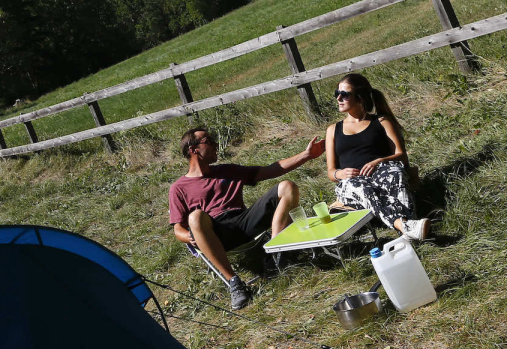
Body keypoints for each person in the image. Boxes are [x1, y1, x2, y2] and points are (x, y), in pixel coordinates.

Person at [169, 126, 324, 309]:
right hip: (216, 233)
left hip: (244, 221)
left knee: (287, 187)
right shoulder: (179, 188)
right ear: (193, 149)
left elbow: (270, 170)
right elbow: (177, 229)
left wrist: (306, 155)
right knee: (195, 217)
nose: (216, 144)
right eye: (208, 141)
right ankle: (234, 282)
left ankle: (276, 255)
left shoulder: (227, 170)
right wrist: (190, 236)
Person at [325, 73, 429, 241]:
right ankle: (406, 225)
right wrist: (340, 174)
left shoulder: (381, 122)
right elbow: (331, 172)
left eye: (344, 94)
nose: (338, 98)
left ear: (360, 97)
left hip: (382, 173)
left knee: (394, 172)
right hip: (353, 182)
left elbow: (401, 156)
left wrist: (380, 161)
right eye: (337, 93)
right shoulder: (333, 130)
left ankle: (406, 227)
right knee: (361, 187)